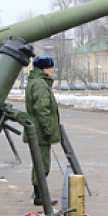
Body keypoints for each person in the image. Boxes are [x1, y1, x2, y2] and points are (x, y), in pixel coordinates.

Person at [26, 56, 62, 206]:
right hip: (40, 133)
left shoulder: (34, 82)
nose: (53, 71)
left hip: (36, 131)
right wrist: (48, 129)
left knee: (39, 163)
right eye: (51, 67)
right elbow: (42, 109)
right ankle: (40, 196)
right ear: (44, 69)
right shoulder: (41, 85)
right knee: (42, 165)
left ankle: (39, 194)